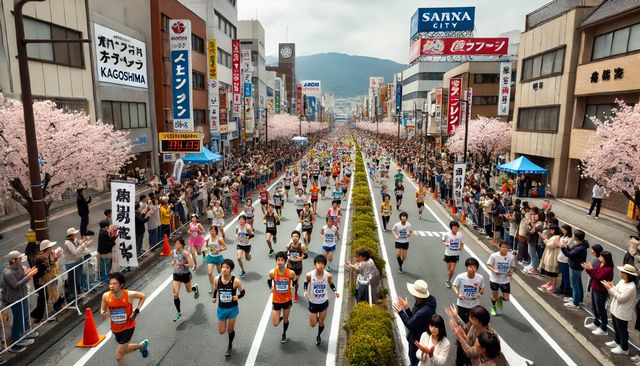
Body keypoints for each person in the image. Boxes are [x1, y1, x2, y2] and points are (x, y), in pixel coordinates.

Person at [100, 273, 149, 365]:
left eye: (114, 284)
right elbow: (102, 308)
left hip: (128, 326)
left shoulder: (129, 295)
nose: (111, 286)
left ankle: (142, 346)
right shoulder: (106, 296)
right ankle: (142, 346)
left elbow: (143, 296)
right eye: (110, 284)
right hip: (115, 328)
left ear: (121, 285)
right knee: (124, 350)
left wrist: (136, 311)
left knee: (118, 356)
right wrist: (103, 313)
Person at [393, 280, 437, 366]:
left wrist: (400, 312)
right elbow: (415, 319)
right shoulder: (427, 302)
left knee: (415, 359)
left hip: (418, 339)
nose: (413, 295)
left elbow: (411, 324)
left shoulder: (423, 311)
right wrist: (407, 309)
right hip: (420, 335)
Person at [2, 251, 39, 353]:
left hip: (22, 296)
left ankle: (25, 332)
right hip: (15, 299)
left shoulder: (19, 267)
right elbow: (15, 285)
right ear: (14, 260)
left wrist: (28, 273)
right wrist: (28, 276)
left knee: (25, 315)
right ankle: (16, 340)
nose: (21, 259)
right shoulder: (8, 272)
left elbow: (21, 277)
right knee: (18, 318)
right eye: (19, 258)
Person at [212, 259, 245, 357]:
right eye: (223, 267)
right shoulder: (217, 279)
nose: (224, 269)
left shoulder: (236, 281)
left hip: (232, 309)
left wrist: (238, 296)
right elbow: (215, 289)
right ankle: (229, 341)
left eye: (227, 267)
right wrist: (214, 297)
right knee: (221, 331)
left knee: (230, 330)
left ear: (231, 269)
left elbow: (243, 292)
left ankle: (230, 345)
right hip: (221, 309)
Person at [303, 255, 339, 346]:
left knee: (321, 322)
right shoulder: (309, 275)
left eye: (322, 263)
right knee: (313, 324)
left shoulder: (328, 275)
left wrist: (335, 291)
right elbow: (305, 282)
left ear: (324, 265)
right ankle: (316, 318)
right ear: (315, 264)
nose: (320, 265)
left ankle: (318, 336)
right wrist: (305, 291)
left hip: (323, 302)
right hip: (313, 303)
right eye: (318, 263)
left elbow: (331, 284)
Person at [602, 264, 638, 356]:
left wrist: (610, 288)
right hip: (615, 310)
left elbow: (620, 298)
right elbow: (616, 290)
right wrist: (612, 286)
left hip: (622, 313)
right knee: (616, 328)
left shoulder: (631, 287)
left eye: (623, 272)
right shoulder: (622, 281)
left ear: (628, 275)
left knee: (622, 330)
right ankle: (617, 342)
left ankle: (624, 348)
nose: (621, 274)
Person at [267, 251, 296, 343]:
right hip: (276, 300)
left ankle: (284, 334)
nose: (279, 262)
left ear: (285, 261)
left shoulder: (291, 273)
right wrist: (271, 287)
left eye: (282, 260)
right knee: (275, 323)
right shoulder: (272, 272)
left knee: (286, 320)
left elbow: (295, 280)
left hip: (287, 300)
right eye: (278, 260)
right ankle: (282, 317)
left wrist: (292, 285)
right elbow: (268, 280)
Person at [583, 251, 614, 336]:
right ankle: (596, 322)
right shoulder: (600, 264)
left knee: (601, 309)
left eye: (601, 256)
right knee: (595, 307)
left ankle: (603, 328)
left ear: (605, 258)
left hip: (601, 291)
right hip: (595, 288)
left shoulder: (608, 269)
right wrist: (587, 269)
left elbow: (598, 277)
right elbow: (593, 274)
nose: (599, 257)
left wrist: (591, 269)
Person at [171, 238, 199, 322]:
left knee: (189, 290)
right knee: (175, 294)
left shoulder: (185, 253)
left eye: (178, 243)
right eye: (175, 243)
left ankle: (194, 288)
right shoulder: (174, 251)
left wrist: (182, 263)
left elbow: (191, 264)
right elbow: (174, 260)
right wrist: (173, 263)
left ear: (182, 245)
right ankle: (179, 312)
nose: (176, 244)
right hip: (176, 275)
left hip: (185, 274)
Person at [560, 230, 589, 309]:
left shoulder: (580, 247)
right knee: (578, 284)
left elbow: (570, 254)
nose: (572, 235)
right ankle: (578, 299)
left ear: (576, 237)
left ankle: (575, 303)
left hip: (575, 268)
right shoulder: (580, 245)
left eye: (573, 235)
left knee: (574, 285)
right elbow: (572, 251)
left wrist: (562, 248)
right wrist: (567, 247)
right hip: (577, 267)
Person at [486, 241, 515, 316]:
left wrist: (511, 272)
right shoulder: (494, 256)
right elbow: (488, 265)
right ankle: (493, 307)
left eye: (506, 247)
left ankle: (499, 299)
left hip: (505, 280)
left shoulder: (511, 256)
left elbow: (512, 267)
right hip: (495, 280)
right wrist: (494, 270)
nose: (505, 249)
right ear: (499, 247)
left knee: (506, 298)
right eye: (503, 247)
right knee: (494, 296)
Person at [452, 257, 485, 323]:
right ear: (466, 267)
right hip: (462, 303)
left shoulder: (480, 278)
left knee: (473, 322)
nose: (472, 269)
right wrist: (458, 293)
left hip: (474, 304)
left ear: (476, 268)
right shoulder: (460, 277)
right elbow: (454, 286)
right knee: (461, 322)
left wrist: (480, 293)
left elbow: (482, 287)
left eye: (474, 267)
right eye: (470, 266)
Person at [63, 228, 90, 301]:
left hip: (76, 262)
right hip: (71, 264)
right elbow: (75, 252)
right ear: (71, 235)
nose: (76, 235)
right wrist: (83, 245)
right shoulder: (67, 243)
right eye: (74, 234)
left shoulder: (73, 240)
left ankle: (78, 293)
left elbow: (79, 245)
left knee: (77, 279)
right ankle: (72, 296)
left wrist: (83, 243)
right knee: (72, 280)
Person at [538, 225, 561, 293]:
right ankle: (550, 283)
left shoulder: (557, 237)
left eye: (552, 229)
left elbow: (550, 245)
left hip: (553, 255)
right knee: (550, 271)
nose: (550, 231)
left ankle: (553, 284)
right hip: (550, 254)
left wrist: (545, 239)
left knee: (553, 272)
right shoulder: (554, 236)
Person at [286, 231, 306, 303]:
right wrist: (288, 257)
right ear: (291, 237)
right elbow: (285, 254)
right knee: (288, 280)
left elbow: (305, 255)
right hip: (290, 266)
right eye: (293, 236)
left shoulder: (302, 246)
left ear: (299, 238)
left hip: (298, 267)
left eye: (296, 236)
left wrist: (300, 258)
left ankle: (295, 294)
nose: (295, 237)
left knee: (295, 282)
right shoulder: (288, 246)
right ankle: (288, 293)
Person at [206, 226, 227, 294]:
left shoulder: (219, 239)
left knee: (220, 272)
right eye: (211, 230)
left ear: (216, 232)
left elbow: (225, 247)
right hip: (210, 257)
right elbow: (206, 246)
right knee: (209, 273)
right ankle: (213, 287)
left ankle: (224, 283)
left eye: (213, 230)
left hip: (218, 257)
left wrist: (219, 250)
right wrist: (206, 250)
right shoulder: (208, 238)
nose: (211, 231)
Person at [443, 221, 464, 288]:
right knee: (449, 269)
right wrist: (446, 244)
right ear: (451, 228)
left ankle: (448, 280)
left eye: (456, 227)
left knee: (452, 270)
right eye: (454, 227)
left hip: (455, 254)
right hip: (448, 254)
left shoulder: (460, 235)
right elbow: (443, 240)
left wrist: (461, 247)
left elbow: (462, 243)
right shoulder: (447, 234)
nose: (455, 229)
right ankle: (449, 275)